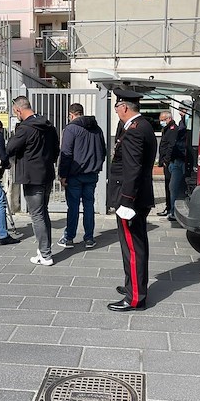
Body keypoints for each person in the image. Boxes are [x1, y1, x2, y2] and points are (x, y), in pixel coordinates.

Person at [107, 88, 157, 312]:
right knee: (135, 245)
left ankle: (135, 297)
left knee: (133, 248)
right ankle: (132, 286)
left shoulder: (135, 131)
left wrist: (126, 201)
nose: (116, 110)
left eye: (117, 106)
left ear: (124, 107)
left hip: (131, 199)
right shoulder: (141, 126)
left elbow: (133, 168)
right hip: (136, 196)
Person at [7, 96, 60, 266]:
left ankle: (45, 255)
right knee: (43, 213)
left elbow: (10, 148)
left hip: (32, 177)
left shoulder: (25, 129)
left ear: (18, 110)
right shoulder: (48, 126)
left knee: (37, 215)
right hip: (47, 175)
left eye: (15, 112)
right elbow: (56, 150)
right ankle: (42, 250)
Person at [57, 103, 106, 249]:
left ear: (71, 114)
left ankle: (69, 237)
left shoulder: (71, 129)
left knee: (73, 207)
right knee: (89, 206)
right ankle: (89, 238)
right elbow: (103, 150)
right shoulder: (97, 129)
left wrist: (62, 175)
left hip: (74, 175)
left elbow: (66, 154)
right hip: (91, 174)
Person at [167, 100, 192, 222]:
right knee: (174, 187)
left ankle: (175, 212)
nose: (180, 112)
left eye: (182, 110)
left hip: (184, 160)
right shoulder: (182, 122)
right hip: (178, 159)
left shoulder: (190, 122)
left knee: (176, 187)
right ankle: (174, 211)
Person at [156, 111, 178, 217]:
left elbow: (171, 146)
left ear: (168, 119)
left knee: (170, 185)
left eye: (163, 120)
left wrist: (166, 160)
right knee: (167, 185)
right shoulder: (167, 129)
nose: (161, 122)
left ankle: (170, 209)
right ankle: (168, 207)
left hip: (169, 162)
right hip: (166, 162)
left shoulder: (173, 129)